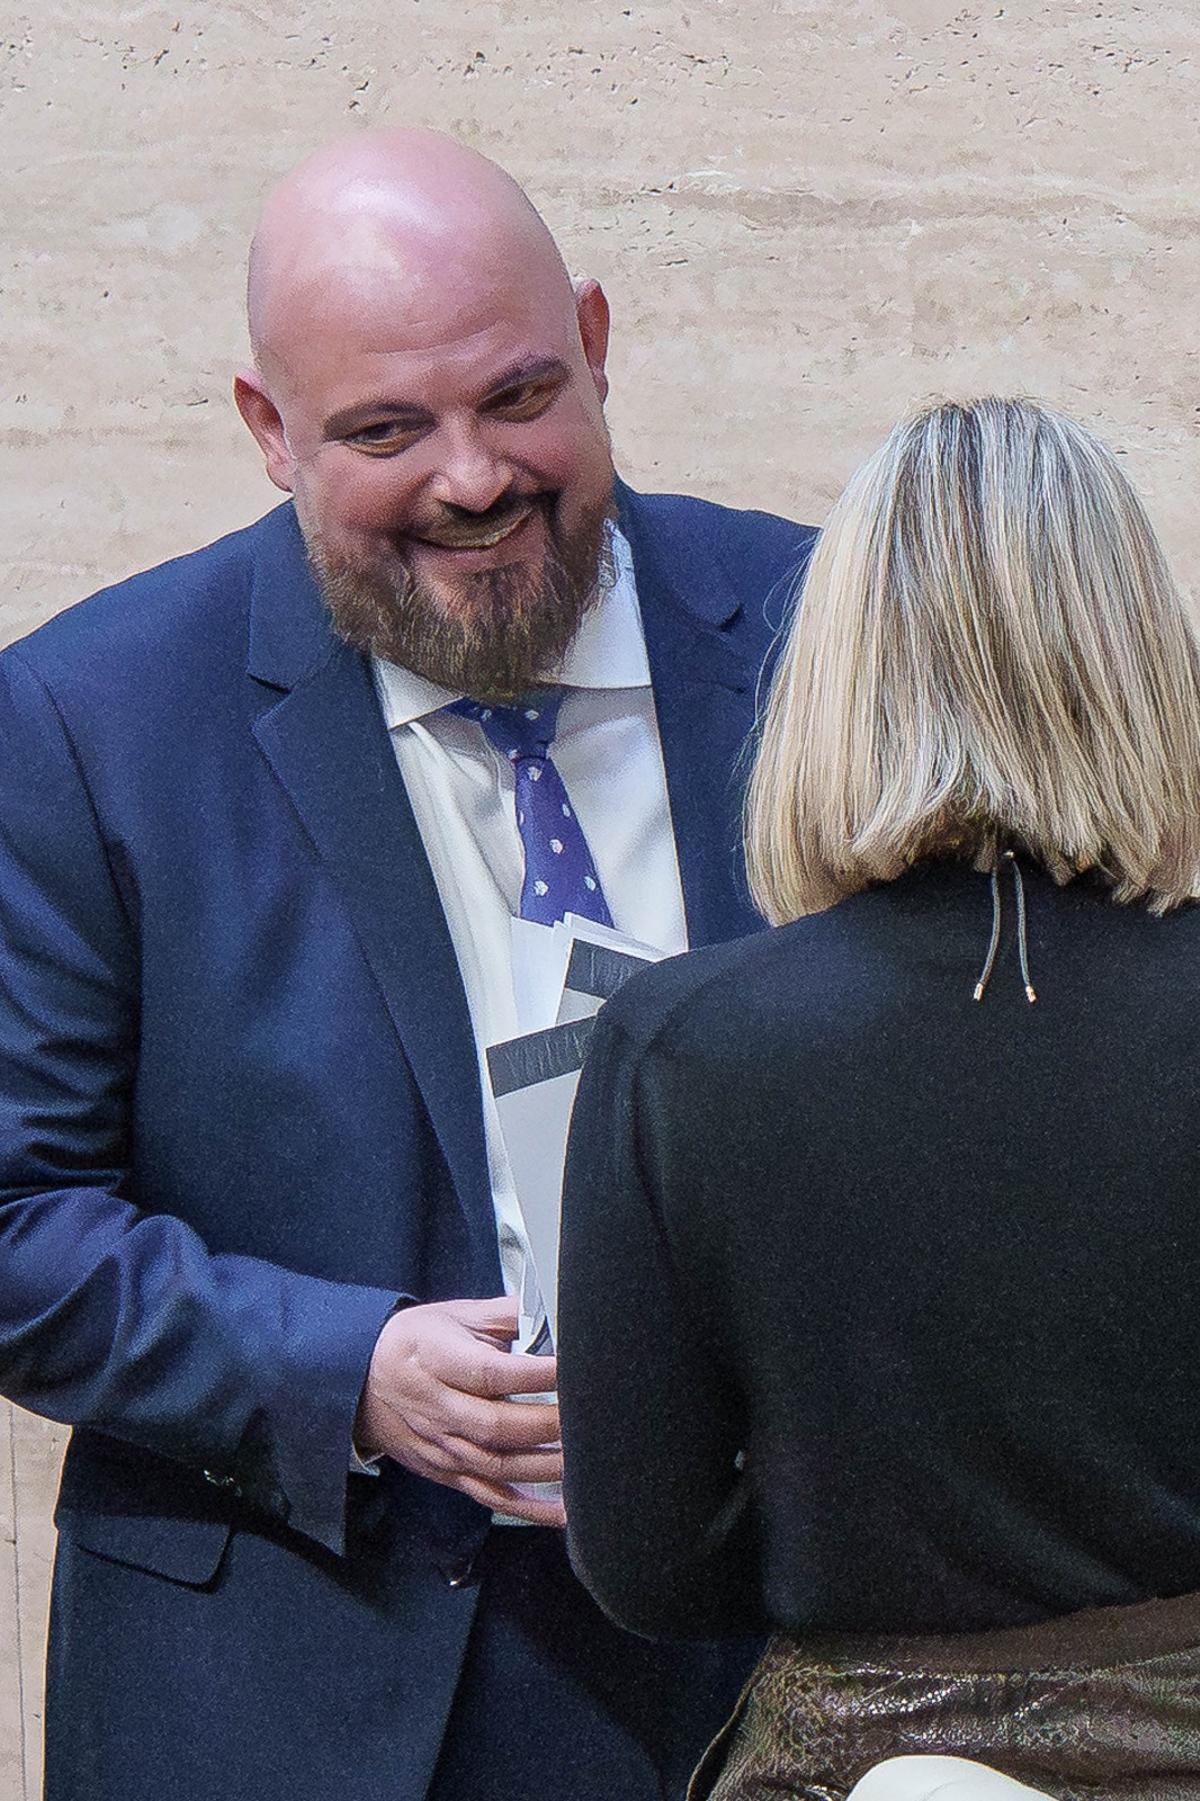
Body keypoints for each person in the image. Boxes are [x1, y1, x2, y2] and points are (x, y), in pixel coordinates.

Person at [0, 128, 814, 1801]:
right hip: (289, 1699)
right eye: (383, 430)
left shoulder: (828, 627)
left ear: (596, 340)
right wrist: (350, 1371)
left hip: (781, 1678)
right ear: (267, 436)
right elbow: (17, 1222)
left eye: (520, 396)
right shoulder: (89, 723)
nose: (471, 476)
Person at [558, 396, 1200, 1800]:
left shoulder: (680, 1048)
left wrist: (855, 1543)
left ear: (837, 671)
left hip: (863, 1760)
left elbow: (649, 1557)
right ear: (1146, 656)